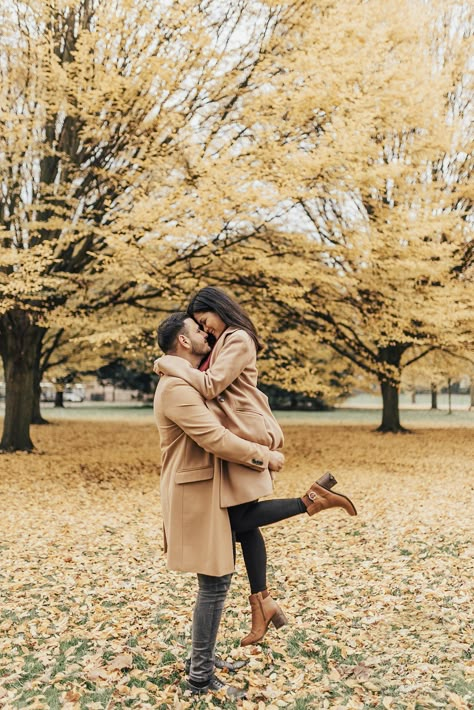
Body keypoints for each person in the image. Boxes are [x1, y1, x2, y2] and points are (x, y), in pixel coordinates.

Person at [154, 287, 357, 646]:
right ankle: (262, 601)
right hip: (232, 433)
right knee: (242, 521)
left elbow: (212, 384)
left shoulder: (238, 338)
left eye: (206, 321)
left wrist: (168, 362)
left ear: (218, 309)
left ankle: (309, 501)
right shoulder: (221, 341)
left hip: (241, 430)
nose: (207, 330)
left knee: (233, 521)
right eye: (199, 327)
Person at [154, 311, 285, 699]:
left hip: (207, 493)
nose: (206, 334)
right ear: (182, 341)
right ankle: (199, 678)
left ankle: (205, 662)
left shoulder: (184, 380)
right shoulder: (176, 388)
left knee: (216, 583)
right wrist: (263, 455)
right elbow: (214, 437)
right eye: (198, 330)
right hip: (194, 498)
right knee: (213, 585)